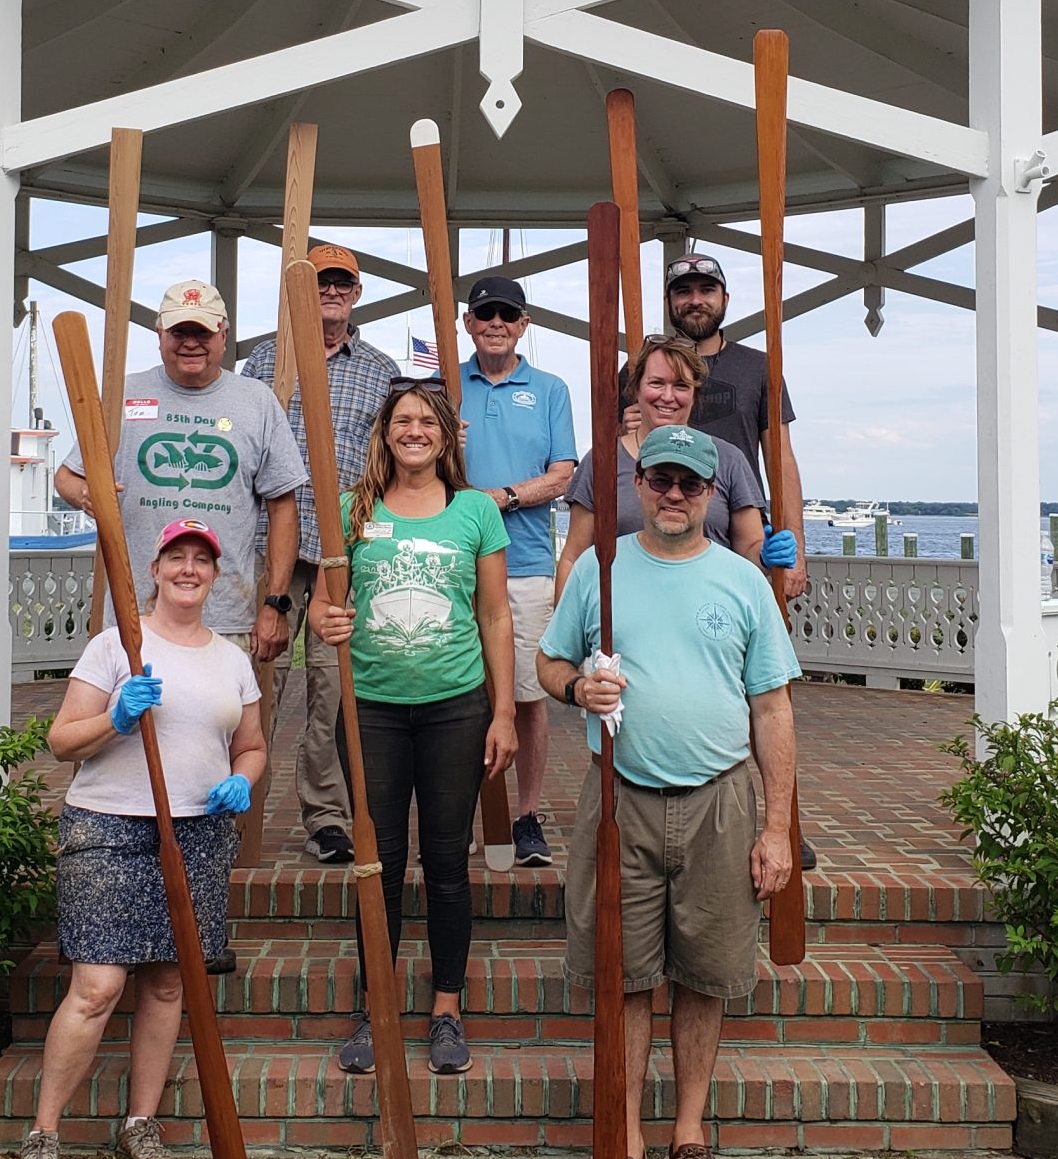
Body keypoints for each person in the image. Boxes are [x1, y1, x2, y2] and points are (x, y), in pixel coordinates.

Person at [538, 425, 799, 1159]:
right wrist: (574, 687)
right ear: (639, 485)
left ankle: (688, 1132)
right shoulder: (599, 572)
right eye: (662, 480)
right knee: (624, 975)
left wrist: (777, 825)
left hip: (720, 799)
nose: (675, 495)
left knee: (706, 975)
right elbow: (548, 660)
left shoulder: (742, 581)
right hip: (621, 797)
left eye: (691, 483)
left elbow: (774, 707)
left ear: (712, 493)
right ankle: (625, 1132)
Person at [20, 519, 266, 1159]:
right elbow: (63, 739)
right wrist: (117, 719)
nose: (189, 569)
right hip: (108, 827)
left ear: (216, 575)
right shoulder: (116, 646)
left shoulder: (231, 660)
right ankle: (43, 1133)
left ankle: (139, 1125)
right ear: (154, 570)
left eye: (202, 561)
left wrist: (242, 778)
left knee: (164, 983)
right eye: (176, 558)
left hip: (197, 833)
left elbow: (251, 744)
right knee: (98, 984)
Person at [307, 383, 515, 1076]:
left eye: (428, 421)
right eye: (404, 421)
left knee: (449, 863)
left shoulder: (476, 511)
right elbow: (322, 609)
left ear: (446, 436)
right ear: (385, 433)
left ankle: (447, 1009)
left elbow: (494, 617)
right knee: (381, 864)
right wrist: (328, 621)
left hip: (457, 707)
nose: (415, 431)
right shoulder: (350, 511)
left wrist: (505, 712)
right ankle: (378, 1007)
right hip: (371, 711)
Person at [239, 242, 399, 866]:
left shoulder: (382, 369)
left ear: (356, 293)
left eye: (341, 282)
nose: (330, 292)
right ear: (298, 293)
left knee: (332, 688)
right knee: (255, 680)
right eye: (318, 283)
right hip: (269, 543)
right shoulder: (264, 362)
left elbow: (396, 454)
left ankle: (326, 816)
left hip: (343, 551)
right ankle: (236, 810)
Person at [54, 277, 304, 675]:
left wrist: (275, 604)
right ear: (159, 334)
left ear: (223, 335)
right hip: (135, 617)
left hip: (224, 620)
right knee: (133, 730)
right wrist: (88, 494)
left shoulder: (256, 402)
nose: (191, 342)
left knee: (224, 734)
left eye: (202, 332)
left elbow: (284, 507)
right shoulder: (122, 393)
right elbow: (67, 476)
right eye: (180, 331)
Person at [456, 273, 578, 867]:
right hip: (452, 561)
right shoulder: (442, 385)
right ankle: (462, 817)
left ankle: (524, 815)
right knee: (454, 693)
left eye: (508, 314)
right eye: (486, 314)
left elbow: (563, 475)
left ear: (524, 322)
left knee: (526, 696)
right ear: (468, 323)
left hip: (525, 562)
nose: (496, 323)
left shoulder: (551, 389)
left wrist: (497, 498)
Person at [556, 335, 790, 587]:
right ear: (636, 389)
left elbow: (749, 555)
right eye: (657, 383)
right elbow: (573, 558)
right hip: (622, 615)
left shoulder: (728, 460)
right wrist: (564, 623)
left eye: (681, 386)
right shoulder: (602, 463)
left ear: (694, 394)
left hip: (708, 612)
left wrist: (766, 556)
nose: (668, 396)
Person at [663, 253, 809, 603]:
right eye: (683, 291)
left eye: (706, 290)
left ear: (724, 299)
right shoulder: (645, 374)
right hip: (666, 523)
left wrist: (796, 551)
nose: (695, 300)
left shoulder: (758, 368)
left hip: (742, 534)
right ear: (669, 302)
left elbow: (781, 460)